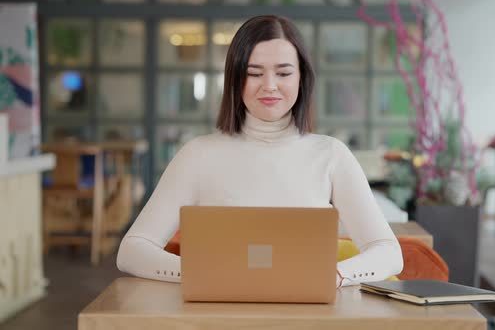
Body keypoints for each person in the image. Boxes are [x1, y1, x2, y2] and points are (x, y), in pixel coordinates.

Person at [117, 15, 403, 288]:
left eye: (283, 73)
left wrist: (336, 276)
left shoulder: (331, 155)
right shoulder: (198, 155)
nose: (269, 86)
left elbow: (389, 253)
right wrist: (198, 274)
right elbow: (132, 251)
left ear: (302, 79)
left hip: (308, 314)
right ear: (234, 80)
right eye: (254, 73)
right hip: (216, 313)